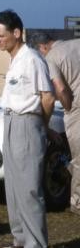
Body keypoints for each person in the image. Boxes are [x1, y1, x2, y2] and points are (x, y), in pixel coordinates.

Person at [0, 10, 55, 248]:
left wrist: (39, 126)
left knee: (28, 184)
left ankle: (36, 244)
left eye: (1, 35)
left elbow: (47, 97)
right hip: (10, 121)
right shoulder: (15, 59)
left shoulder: (32, 59)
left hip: (27, 123)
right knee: (14, 184)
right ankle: (20, 236)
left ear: (16, 33)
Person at [30, 32, 80, 215]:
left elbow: (60, 88)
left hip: (77, 107)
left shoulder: (52, 57)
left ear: (42, 47)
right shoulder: (76, 43)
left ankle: (77, 202)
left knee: (79, 159)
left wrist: (67, 107)